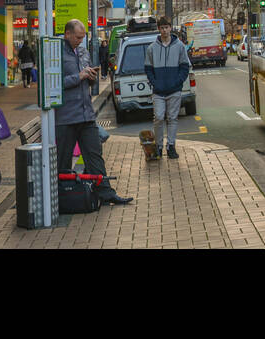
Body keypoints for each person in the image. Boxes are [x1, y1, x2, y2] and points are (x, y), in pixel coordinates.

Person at [56, 19, 131, 205]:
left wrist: (91, 77)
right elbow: (53, 84)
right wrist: (79, 76)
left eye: (83, 37)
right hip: (66, 116)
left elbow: (85, 79)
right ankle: (61, 196)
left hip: (86, 113)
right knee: (63, 161)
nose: (81, 41)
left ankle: (106, 193)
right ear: (67, 34)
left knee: (94, 154)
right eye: (78, 37)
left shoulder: (82, 51)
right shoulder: (56, 53)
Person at [144, 18, 192, 159]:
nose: (164, 30)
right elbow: (148, 69)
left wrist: (177, 82)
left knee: (172, 118)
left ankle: (171, 146)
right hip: (158, 91)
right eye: (162, 27)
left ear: (170, 28)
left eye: (166, 27)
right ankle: (158, 146)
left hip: (174, 90)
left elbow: (185, 67)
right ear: (159, 29)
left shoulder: (180, 46)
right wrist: (155, 83)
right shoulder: (152, 48)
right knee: (158, 117)